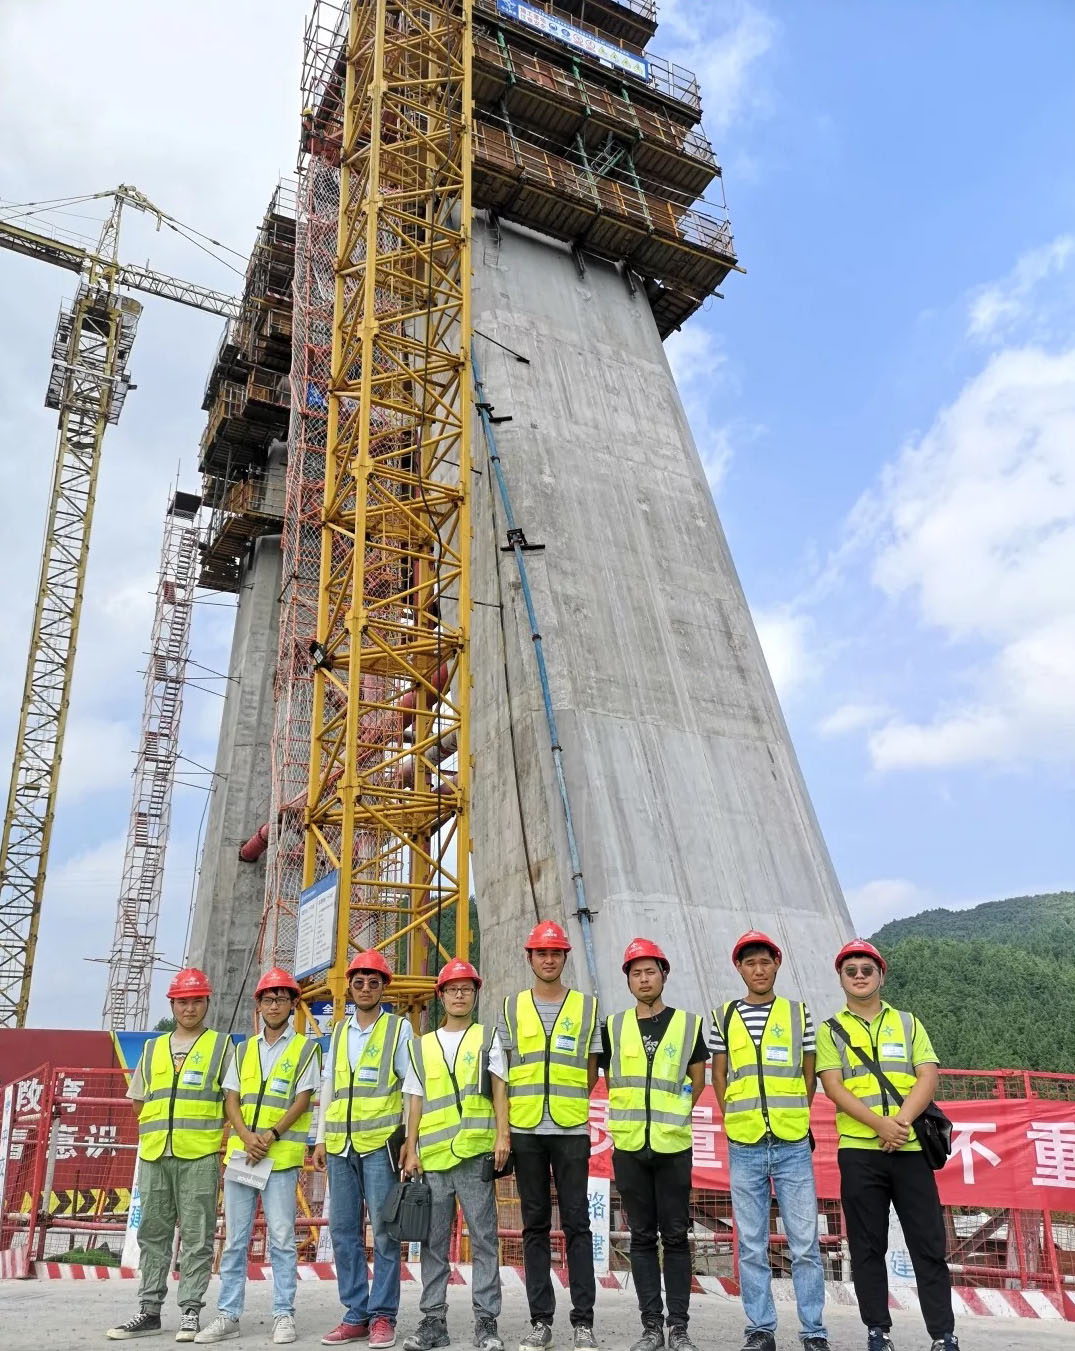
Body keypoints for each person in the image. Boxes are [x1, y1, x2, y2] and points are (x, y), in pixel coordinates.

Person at [816, 940, 959, 1351]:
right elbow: (833, 1086)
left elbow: (927, 1077)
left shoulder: (909, 1023)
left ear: (881, 974)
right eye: (851, 970)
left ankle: (943, 1335)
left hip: (910, 1149)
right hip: (859, 1151)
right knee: (867, 1246)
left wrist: (899, 1124)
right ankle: (877, 1331)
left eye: (867, 969)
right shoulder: (830, 1030)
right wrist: (879, 1124)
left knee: (928, 1244)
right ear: (841, 977)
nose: (859, 976)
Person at [709, 932, 829, 1351]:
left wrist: (792, 1114)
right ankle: (760, 1329)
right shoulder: (722, 1015)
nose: (758, 970)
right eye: (749, 963)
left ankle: (813, 1331)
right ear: (739, 968)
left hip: (792, 1143)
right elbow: (719, 1075)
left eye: (765, 962)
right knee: (752, 1244)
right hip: (745, 1144)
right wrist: (737, 1119)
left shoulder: (799, 1014)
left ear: (776, 964)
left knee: (804, 1244)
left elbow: (809, 1074)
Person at [194, 967, 322, 1346]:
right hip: (243, 1156)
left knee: (282, 1238)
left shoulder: (305, 1048)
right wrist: (246, 1136)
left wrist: (271, 1134)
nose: (275, 1004)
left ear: (293, 1005)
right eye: (269, 998)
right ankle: (228, 1314)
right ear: (259, 1005)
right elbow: (230, 1097)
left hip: (279, 1159)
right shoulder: (244, 1049)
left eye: (282, 998)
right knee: (235, 1239)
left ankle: (284, 1314)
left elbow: (304, 1098)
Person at [107, 968, 229, 1342]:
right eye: (182, 1001)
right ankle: (149, 1311)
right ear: (172, 1005)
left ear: (206, 1002)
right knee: (153, 1234)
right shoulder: (153, 1048)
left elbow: (232, 1103)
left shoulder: (222, 1047)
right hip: (156, 1155)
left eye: (196, 1000)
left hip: (199, 1157)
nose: (189, 1008)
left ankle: (191, 1311)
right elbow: (139, 1100)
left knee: (197, 1236)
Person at [600, 939, 707, 1351]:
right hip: (629, 1147)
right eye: (636, 972)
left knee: (676, 1236)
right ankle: (651, 1327)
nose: (644, 979)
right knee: (641, 1237)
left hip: (673, 1146)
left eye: (650, 971)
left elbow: (697, 1082)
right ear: (627, 980)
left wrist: (673, 1114)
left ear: (664, 974)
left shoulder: (687, 1025)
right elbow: (611, 1080)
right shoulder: (613, 1027)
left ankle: (679, 1327)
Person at [498, 920, 600, 1351]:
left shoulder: (587, 1008)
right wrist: (504, 1131)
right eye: (541, 953)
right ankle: (541, 1321)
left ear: (564, 958)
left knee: (578, 1224)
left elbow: (592, 1070)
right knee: (534, 1227)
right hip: (525, 1130)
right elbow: (500, 1075)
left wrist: (568, 1103)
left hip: (570, 1128)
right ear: (530, 958)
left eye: (555, 953)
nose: (548, 959)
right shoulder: (510, 1007)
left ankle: (583, 1322)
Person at [400, 959, 511, 1351]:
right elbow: (415, 1098)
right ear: (441, 995)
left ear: (474, 995)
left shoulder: (487, 1036)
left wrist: (503, 1134)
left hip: (474, 1152)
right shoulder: (422, 1044)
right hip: (432, 1157)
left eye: (467, 989)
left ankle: (486, 1321)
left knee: (484, 1238)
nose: (460, 995)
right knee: (433, 1241)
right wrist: (411, 1148)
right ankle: (433, 1321)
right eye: (453, 989)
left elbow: (499, 1087)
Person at [313, 950, 413, 1347]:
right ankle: (356, 1313)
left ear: (384, 987)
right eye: (359, 982)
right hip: (339, 1145)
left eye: (374, 982)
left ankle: (383, 1315)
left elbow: (411, 1087)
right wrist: (320, 1137)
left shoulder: (398, 1029)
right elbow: (328, 1087)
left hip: (379, 1146)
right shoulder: (338, 1033)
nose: (366, 987)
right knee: (343, 1231)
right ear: (350, 987)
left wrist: (408, 1142)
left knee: (386, 1232)